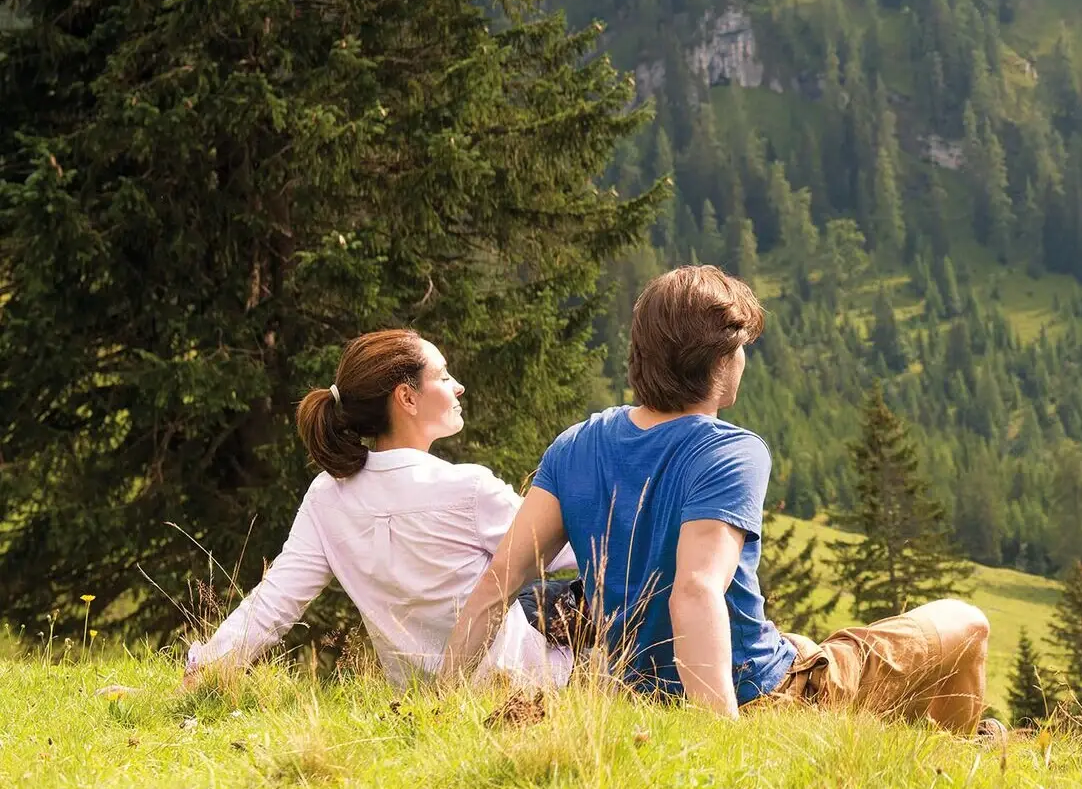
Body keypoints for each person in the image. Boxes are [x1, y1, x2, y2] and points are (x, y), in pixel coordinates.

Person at [443, 265, 995, 734]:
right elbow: (695, 591)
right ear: (720, 360)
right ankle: (951, 757)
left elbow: (498, 581)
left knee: (801, 641)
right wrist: (723, 744)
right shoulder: (729, 452)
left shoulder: (576, 443)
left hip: (639, 700)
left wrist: (440, 704)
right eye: (741, 350)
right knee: (963, 621)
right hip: (759, 700)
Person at [184, 330, 575, 689]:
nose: (458, 387)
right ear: (406, 398)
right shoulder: (469, 489)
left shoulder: (328, 495)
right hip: (524, 687)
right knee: (575, 592)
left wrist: (203, 673)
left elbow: (274, 603)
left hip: (413, 695)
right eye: (442, 376)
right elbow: (580, 551)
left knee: (534, 594)